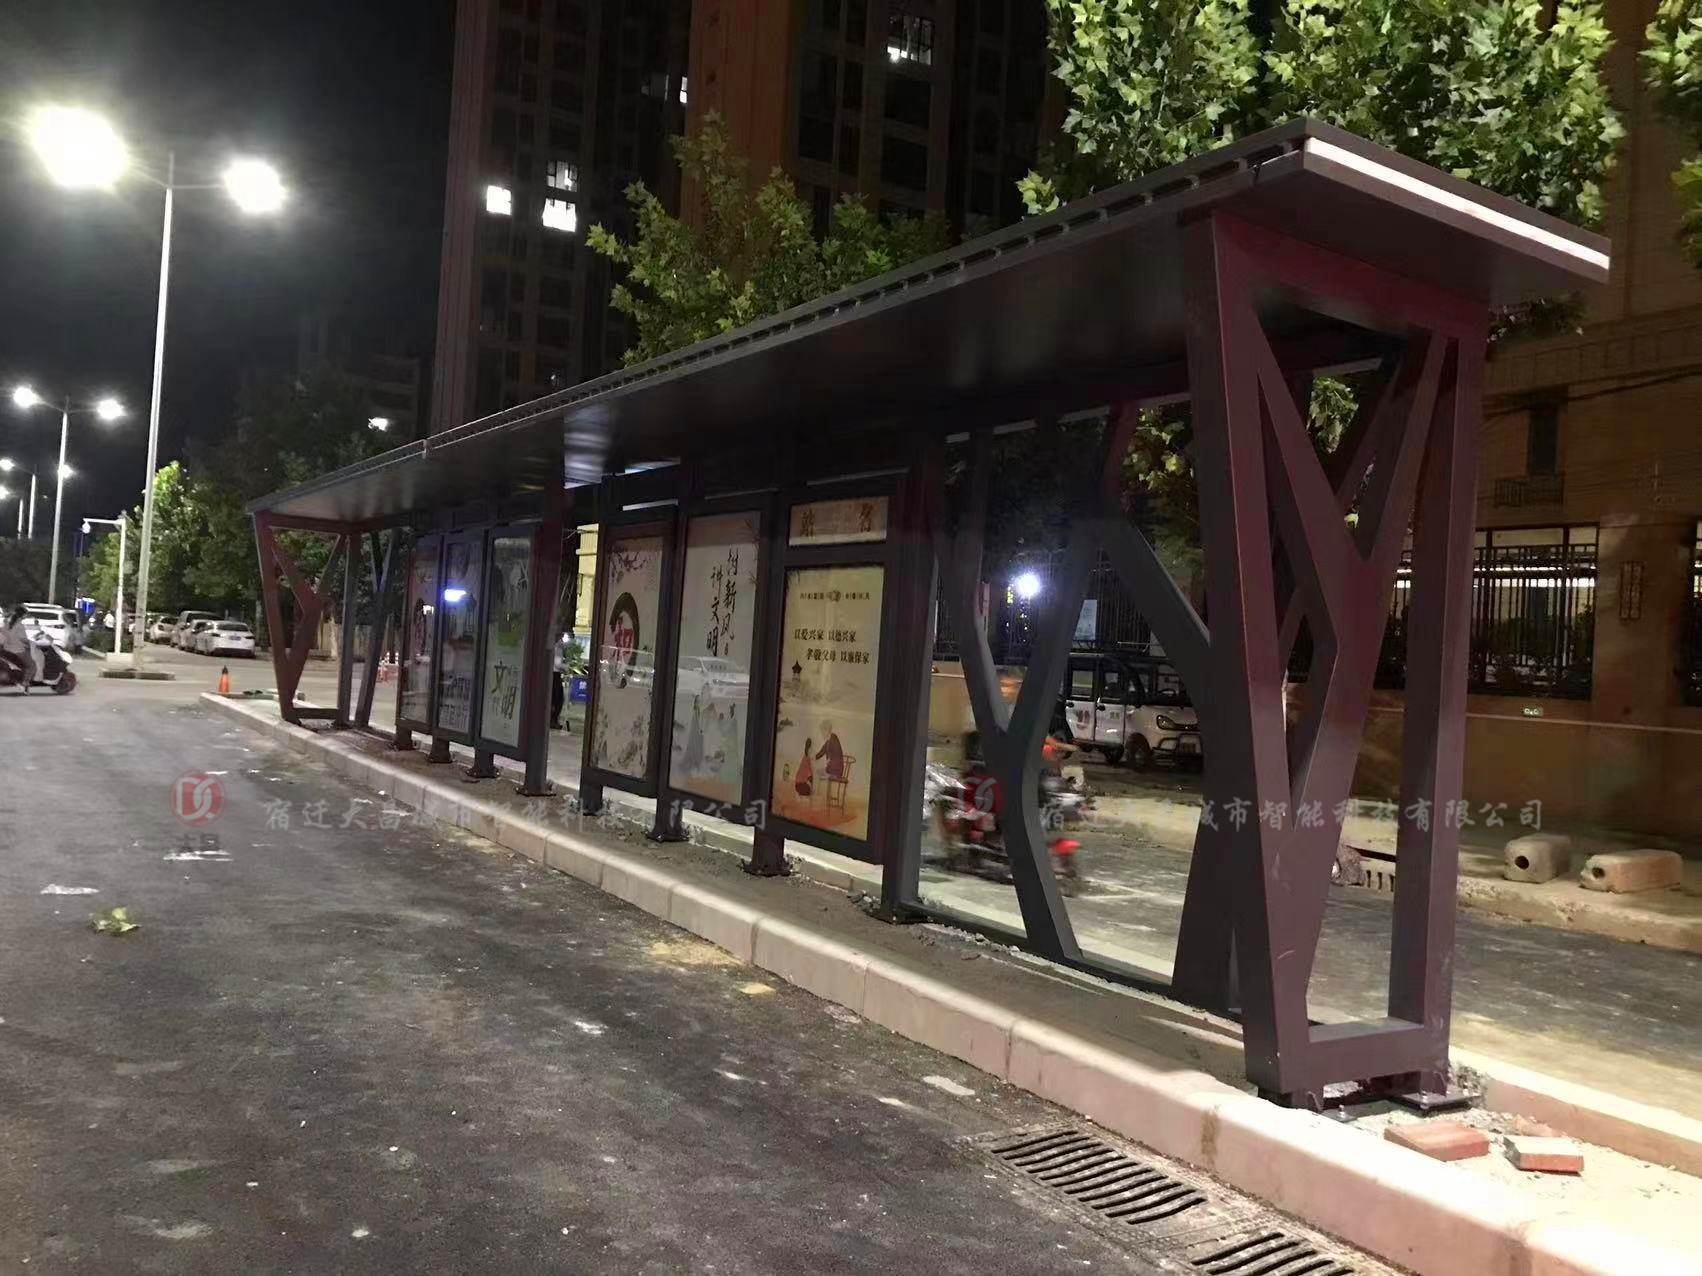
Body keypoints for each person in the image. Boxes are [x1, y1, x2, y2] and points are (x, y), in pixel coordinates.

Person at [1, 607, 37, 690]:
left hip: (7, 648)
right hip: (18, 650)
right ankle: (25, 682)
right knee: (32, 666)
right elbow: (23, 639)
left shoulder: (8, 623)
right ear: (23, 615)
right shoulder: (20, 626)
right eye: (26, 614)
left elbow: (4, 632)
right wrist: (31, 642)